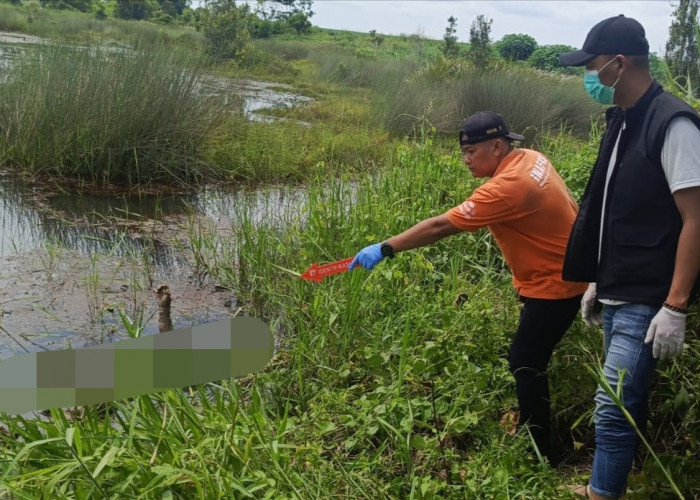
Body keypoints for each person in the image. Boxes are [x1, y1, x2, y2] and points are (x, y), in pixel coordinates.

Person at [349, 111, 588, 465]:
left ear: (496, 146)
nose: (465, 160)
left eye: (470, 152)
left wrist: (385, 247)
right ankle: (533, 430)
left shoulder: (507, 187)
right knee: (530, 354)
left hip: (556, 285)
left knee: (525, 361)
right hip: (570, 269)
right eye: (463, 152)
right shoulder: (533, 158)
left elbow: (440, 226)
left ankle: (541, 453)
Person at [559, 15, 700, 500]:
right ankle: (608, 482)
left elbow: (696, 220)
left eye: (591, 66)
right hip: (618, 288)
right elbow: (616, 211)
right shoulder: (620, 120)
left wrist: (676, 305)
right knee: (622, 400)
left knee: (611, 402)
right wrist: (598, 278)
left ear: (619, 64)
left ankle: (603, 494)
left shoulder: (673, 123)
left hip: (649, 298)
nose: (587, 77)